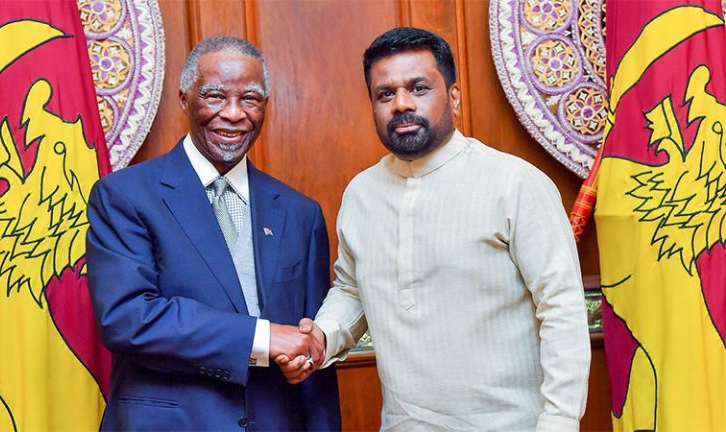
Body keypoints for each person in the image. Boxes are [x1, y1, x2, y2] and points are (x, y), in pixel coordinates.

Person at [284, 27, 591, 431]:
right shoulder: (361, 194)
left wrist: (559, 423)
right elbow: (352, 289)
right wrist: (323, 336)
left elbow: (562, 310)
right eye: (385, 94)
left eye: (418, 88)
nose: (401, 104)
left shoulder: (516, 184)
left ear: (455, 97)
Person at [86, 36, 340, 431]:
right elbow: (127, 317)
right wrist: (263, 336)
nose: (234, 114)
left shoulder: (300, 213)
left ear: (265, 107)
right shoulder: (123, 196)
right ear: (185, 98)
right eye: (215, 96)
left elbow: (310, 349)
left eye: (250, 99)